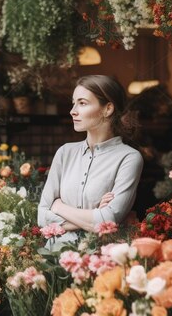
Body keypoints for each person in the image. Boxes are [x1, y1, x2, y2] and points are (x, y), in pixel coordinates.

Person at [37, 75, 144, 246]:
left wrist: (58, 207)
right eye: (74, 103)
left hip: (99, 261)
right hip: (53, 258)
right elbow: (42, 216)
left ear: (107, 109)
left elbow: (107, 221)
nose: (73, 110)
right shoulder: (65, 152)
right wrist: (93, 215)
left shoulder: (129, 158)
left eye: (82, 103)